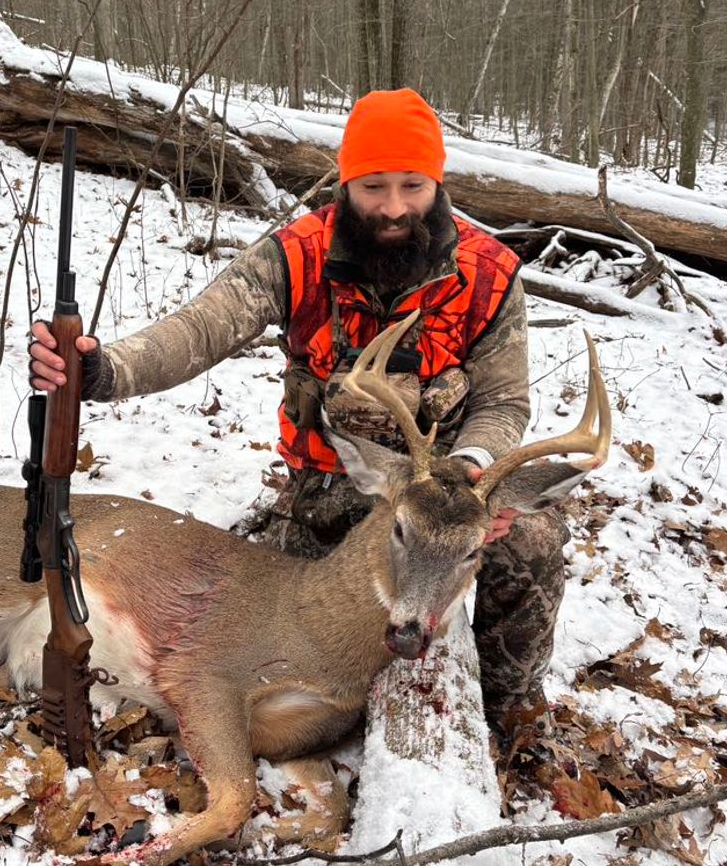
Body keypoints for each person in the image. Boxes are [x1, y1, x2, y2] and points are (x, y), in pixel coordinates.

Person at [29, 88, 569, 742]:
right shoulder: (296, 255)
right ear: (346, 185)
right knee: (285, 639)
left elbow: (505, 401)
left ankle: (507, 708)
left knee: (536, 542)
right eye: (372, 187)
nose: (393, 207)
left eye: (412, 185)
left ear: (437, 181)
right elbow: (203, 328)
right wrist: (105, 369)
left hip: (454, 491)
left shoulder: (489, 274)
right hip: (335, 486)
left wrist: (471, 474)